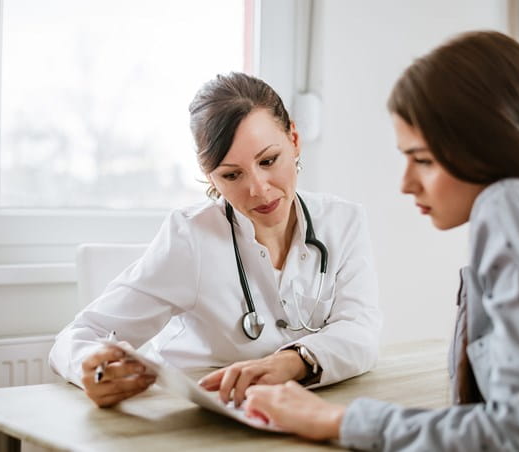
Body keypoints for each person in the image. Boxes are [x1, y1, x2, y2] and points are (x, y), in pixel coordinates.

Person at [242, 30, 519, 450]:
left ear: (492, 145)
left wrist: (339, 420)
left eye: (422, 160)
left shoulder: (507, 204)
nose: (406, 184)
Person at [49, 72, 381, 408]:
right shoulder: (190, 237)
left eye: (268, 161)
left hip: (299, 414)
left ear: (293, 139)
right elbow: (77, 337)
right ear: (210, 175)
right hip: (199, 418)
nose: (259, 189)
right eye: (231, 174)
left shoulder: (344, 221)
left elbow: (361, 331)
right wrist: (89, 368)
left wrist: (293, 361)